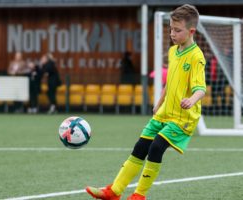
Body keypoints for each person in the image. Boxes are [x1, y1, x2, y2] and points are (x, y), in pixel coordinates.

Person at [85, 4, 206, 200]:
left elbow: (201, 88)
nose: (172, 34)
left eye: (177, 30)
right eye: (170, 29)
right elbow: (171, 81)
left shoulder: (196, 57)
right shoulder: (174, 51)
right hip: (164, 112)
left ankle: (139, 195)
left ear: (191, 31)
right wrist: (159, 102)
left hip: (182, 117)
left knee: (156, 147)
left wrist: (191, 100)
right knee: (140, 147)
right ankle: (114, 191)